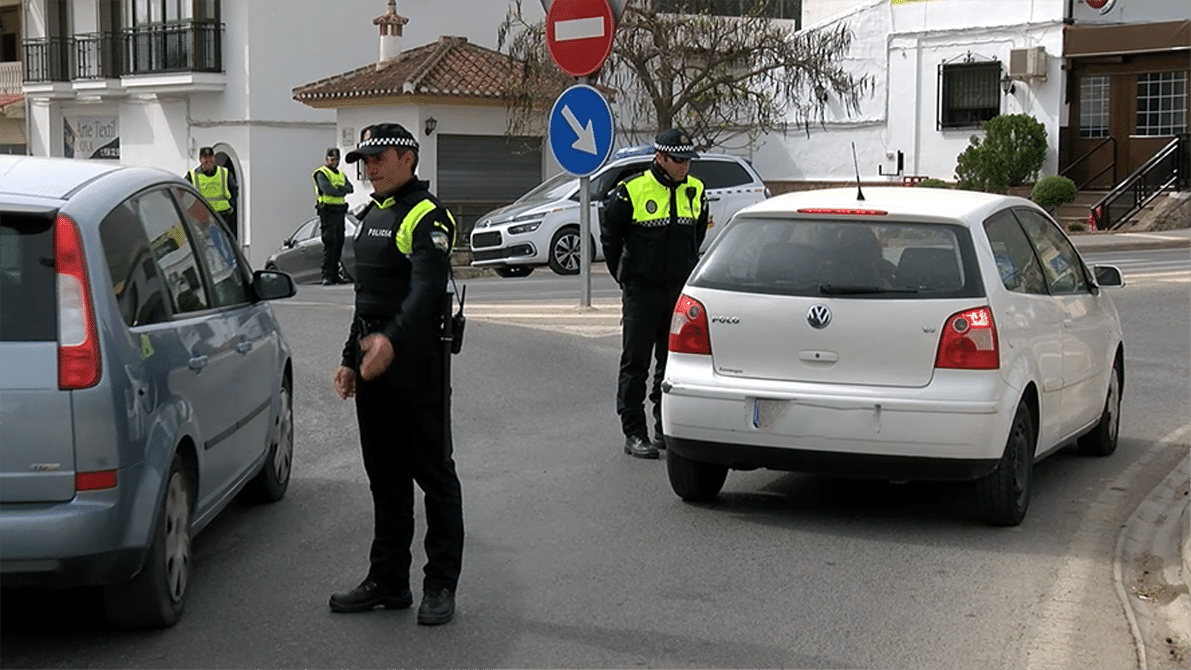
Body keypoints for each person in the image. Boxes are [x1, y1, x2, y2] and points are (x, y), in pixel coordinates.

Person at [329, 123, 464, 626]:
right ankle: (388, 580)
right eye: (365, 159)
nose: (370, 167)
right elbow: (366, 303)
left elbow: (426, 290)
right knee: (385, 479)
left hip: (418, 368)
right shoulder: (371, 215)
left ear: (408, 158)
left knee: (434, 476)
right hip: (373, 370)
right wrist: (350, 357)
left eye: (379, 157)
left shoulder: (429, 215)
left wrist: (391, 341)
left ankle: (440, 585)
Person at [601, 128, 709, 460]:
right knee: (636, 362)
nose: (684, 166)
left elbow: (698, 232)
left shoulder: (696, 190)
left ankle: (664, 426)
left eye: (688, 160)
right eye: (678, 160)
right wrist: (626, 277)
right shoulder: (631, 190)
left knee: (671, 364)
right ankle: (634, 431)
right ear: (659, 157)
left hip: (678, 291)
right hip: (642, 290)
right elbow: (611, 237)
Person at [312, 147, 355, 285]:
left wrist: (339, 190)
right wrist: (340, 190)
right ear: (326, 159)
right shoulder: (321, 173)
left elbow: (350, 188)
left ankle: (335, 275)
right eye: (332, 159)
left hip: (339, 212)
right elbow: (327, 190)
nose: (335, 162)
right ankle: (327, 275)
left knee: (338, 243)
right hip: (328, 212)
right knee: (330, 244)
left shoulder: (341, 174)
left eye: (337, 159)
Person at [186, 146, 239, 238]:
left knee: (224, 244)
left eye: (210, 157)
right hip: (204, 219)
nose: (208, 160)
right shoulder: (192, 176)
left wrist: (231, 206)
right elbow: (184, 193)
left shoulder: (224, 173)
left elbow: (234, 190)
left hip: (223, 217)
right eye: (205, 157)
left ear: (214, 158)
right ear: (200, 159)